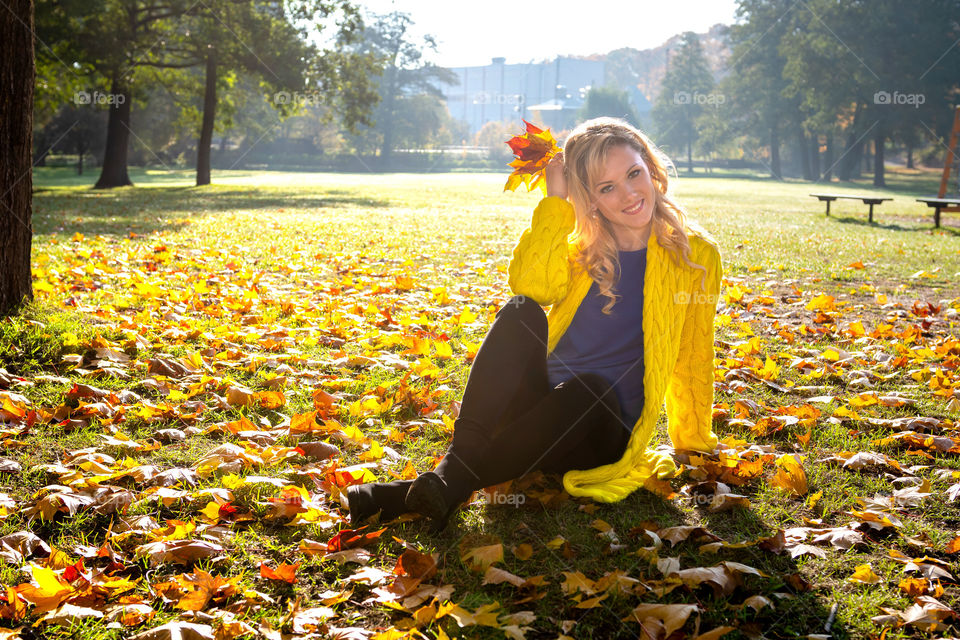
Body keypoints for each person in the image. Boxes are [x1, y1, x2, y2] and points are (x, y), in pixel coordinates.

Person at [346, 117, 722, 530]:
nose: (629, 194)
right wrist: (555, 202)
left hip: (600, 432)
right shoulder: (578, 248)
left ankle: (438, 484)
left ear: (650, 168)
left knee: (592, 390)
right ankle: (455, 468)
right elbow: (530, 286)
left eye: (633, 174)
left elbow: (693, 354)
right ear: (590, 199)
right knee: (522, 310)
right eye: (606, 187)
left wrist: (694, 445)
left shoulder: (695, 255)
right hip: (535, 419)